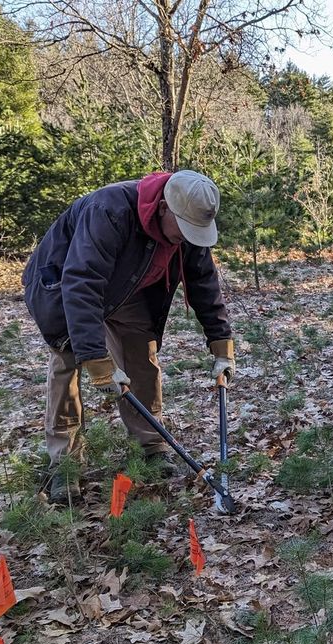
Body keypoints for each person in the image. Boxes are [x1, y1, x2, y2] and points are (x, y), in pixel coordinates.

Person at [22, 170, 235, 503]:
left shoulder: (189, 226)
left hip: (130, 289)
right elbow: (83, 283)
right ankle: (63, 465)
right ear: (164, 207)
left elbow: (204, 284)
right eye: (184, 230)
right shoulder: (109, 211)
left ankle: (152, 445)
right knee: (67, 362)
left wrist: (221, 346)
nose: (189, 238)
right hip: (64, 284)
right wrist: (96, 360)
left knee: (142, 355)